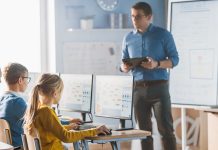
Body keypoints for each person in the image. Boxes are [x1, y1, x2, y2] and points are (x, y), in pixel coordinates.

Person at [120, 2, 179, 150]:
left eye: (138, 16)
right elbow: (122, 63)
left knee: (166, 131)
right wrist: (124, 67)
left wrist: (156, 64)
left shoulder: (163, 34)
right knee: (144, 133)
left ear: (149, 17)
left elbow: (175, 60)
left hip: (159, 88)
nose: (134, 20)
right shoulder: (128, 38)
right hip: (138, 90)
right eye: (132, 16)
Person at [24, 73, 110, 150]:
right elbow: (66, 137)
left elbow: (50, 131)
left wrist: (69, 127)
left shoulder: (38, 109)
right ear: (55, 93)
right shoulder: (46, 111)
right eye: (61, 92)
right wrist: (95, 130)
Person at [0, 63, 29, 147]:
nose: (27, 83)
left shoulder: (2, 99)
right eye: (27, 79)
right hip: (20, 146)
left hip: (5, 146)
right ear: (20, 80)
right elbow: (41, 121)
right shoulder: (17, 102)